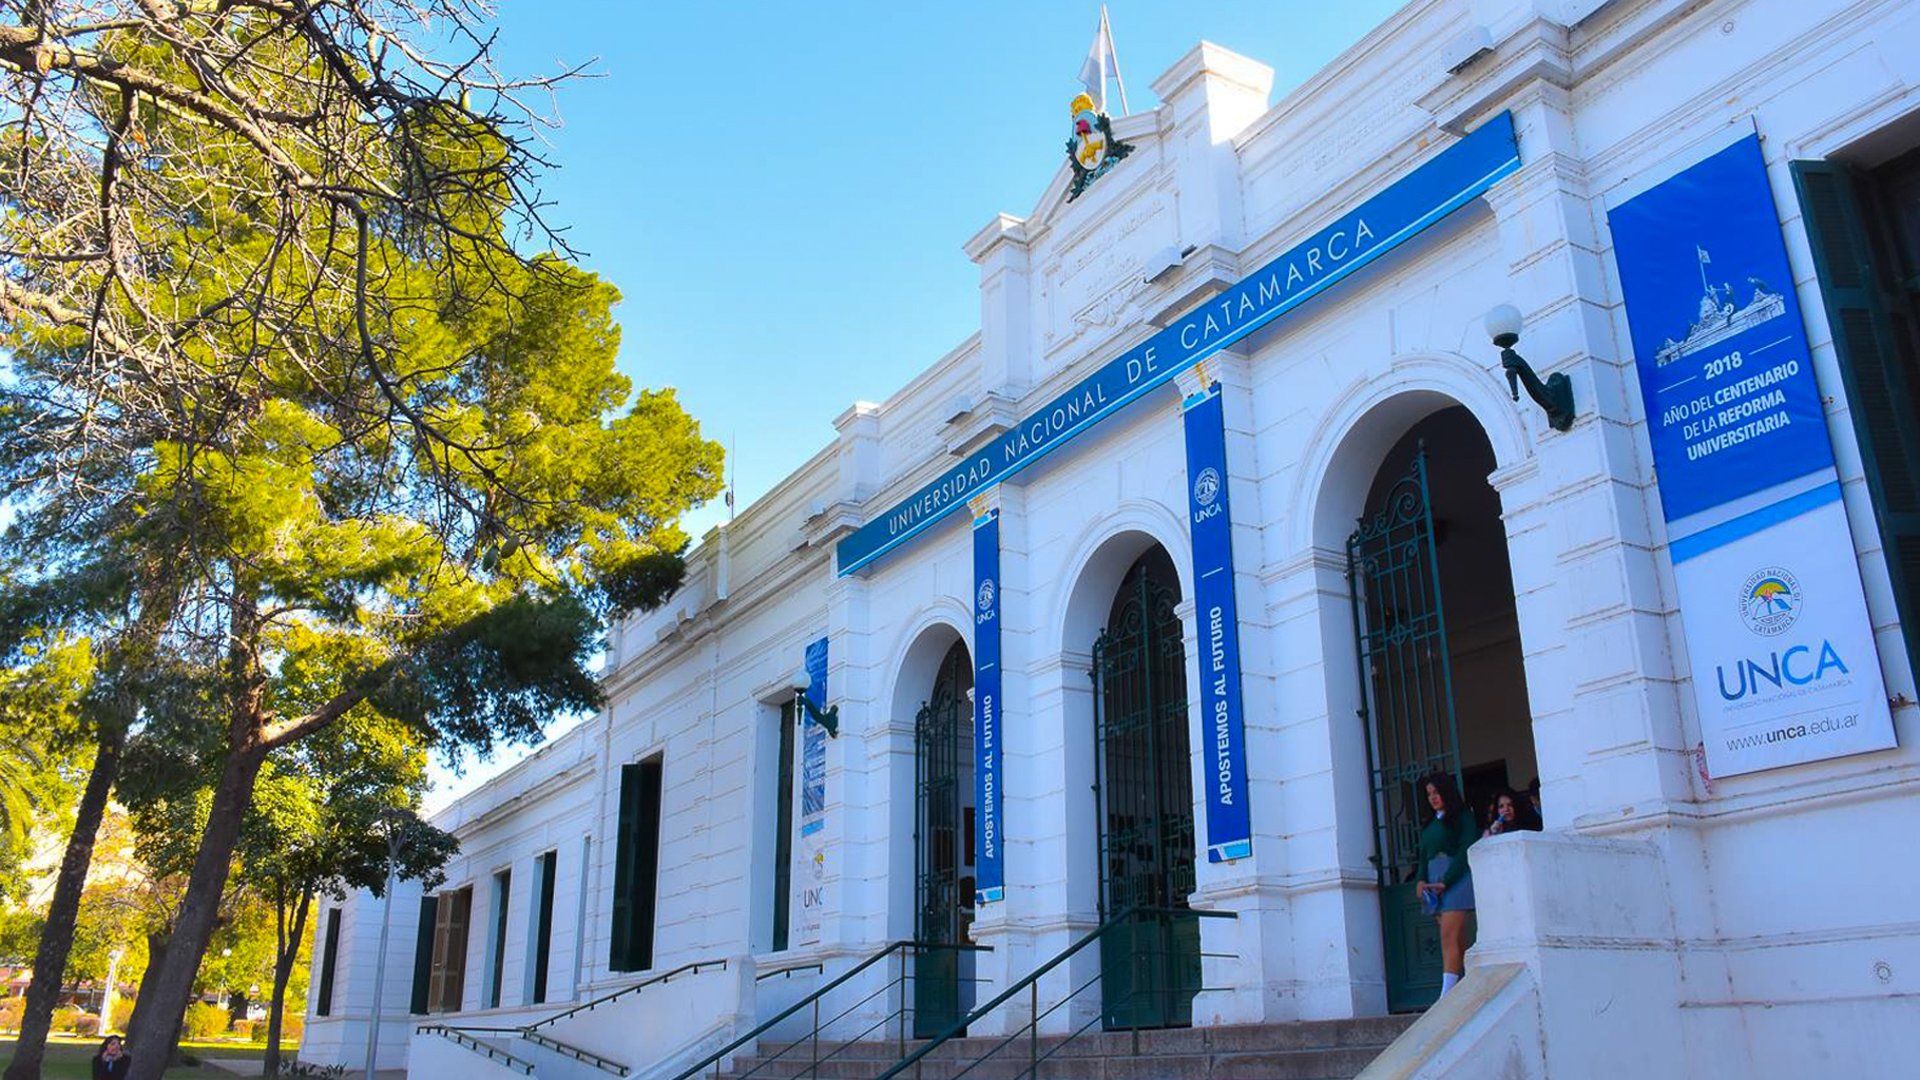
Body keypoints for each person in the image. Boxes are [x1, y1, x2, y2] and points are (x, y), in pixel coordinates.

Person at [1416, 772, 1481, 998]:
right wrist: (1421, 880)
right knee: (1457, 936)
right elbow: (1422, 856)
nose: (1433, 798)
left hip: (1456, 879)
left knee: (1448, 935)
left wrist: (1447, 881)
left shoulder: (1463, 816)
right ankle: (1465, 984)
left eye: (1436, 792)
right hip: (1434, 884)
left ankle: (1447, 994)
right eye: (1429, 794)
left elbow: (1466, 849)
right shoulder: (1430, 823)